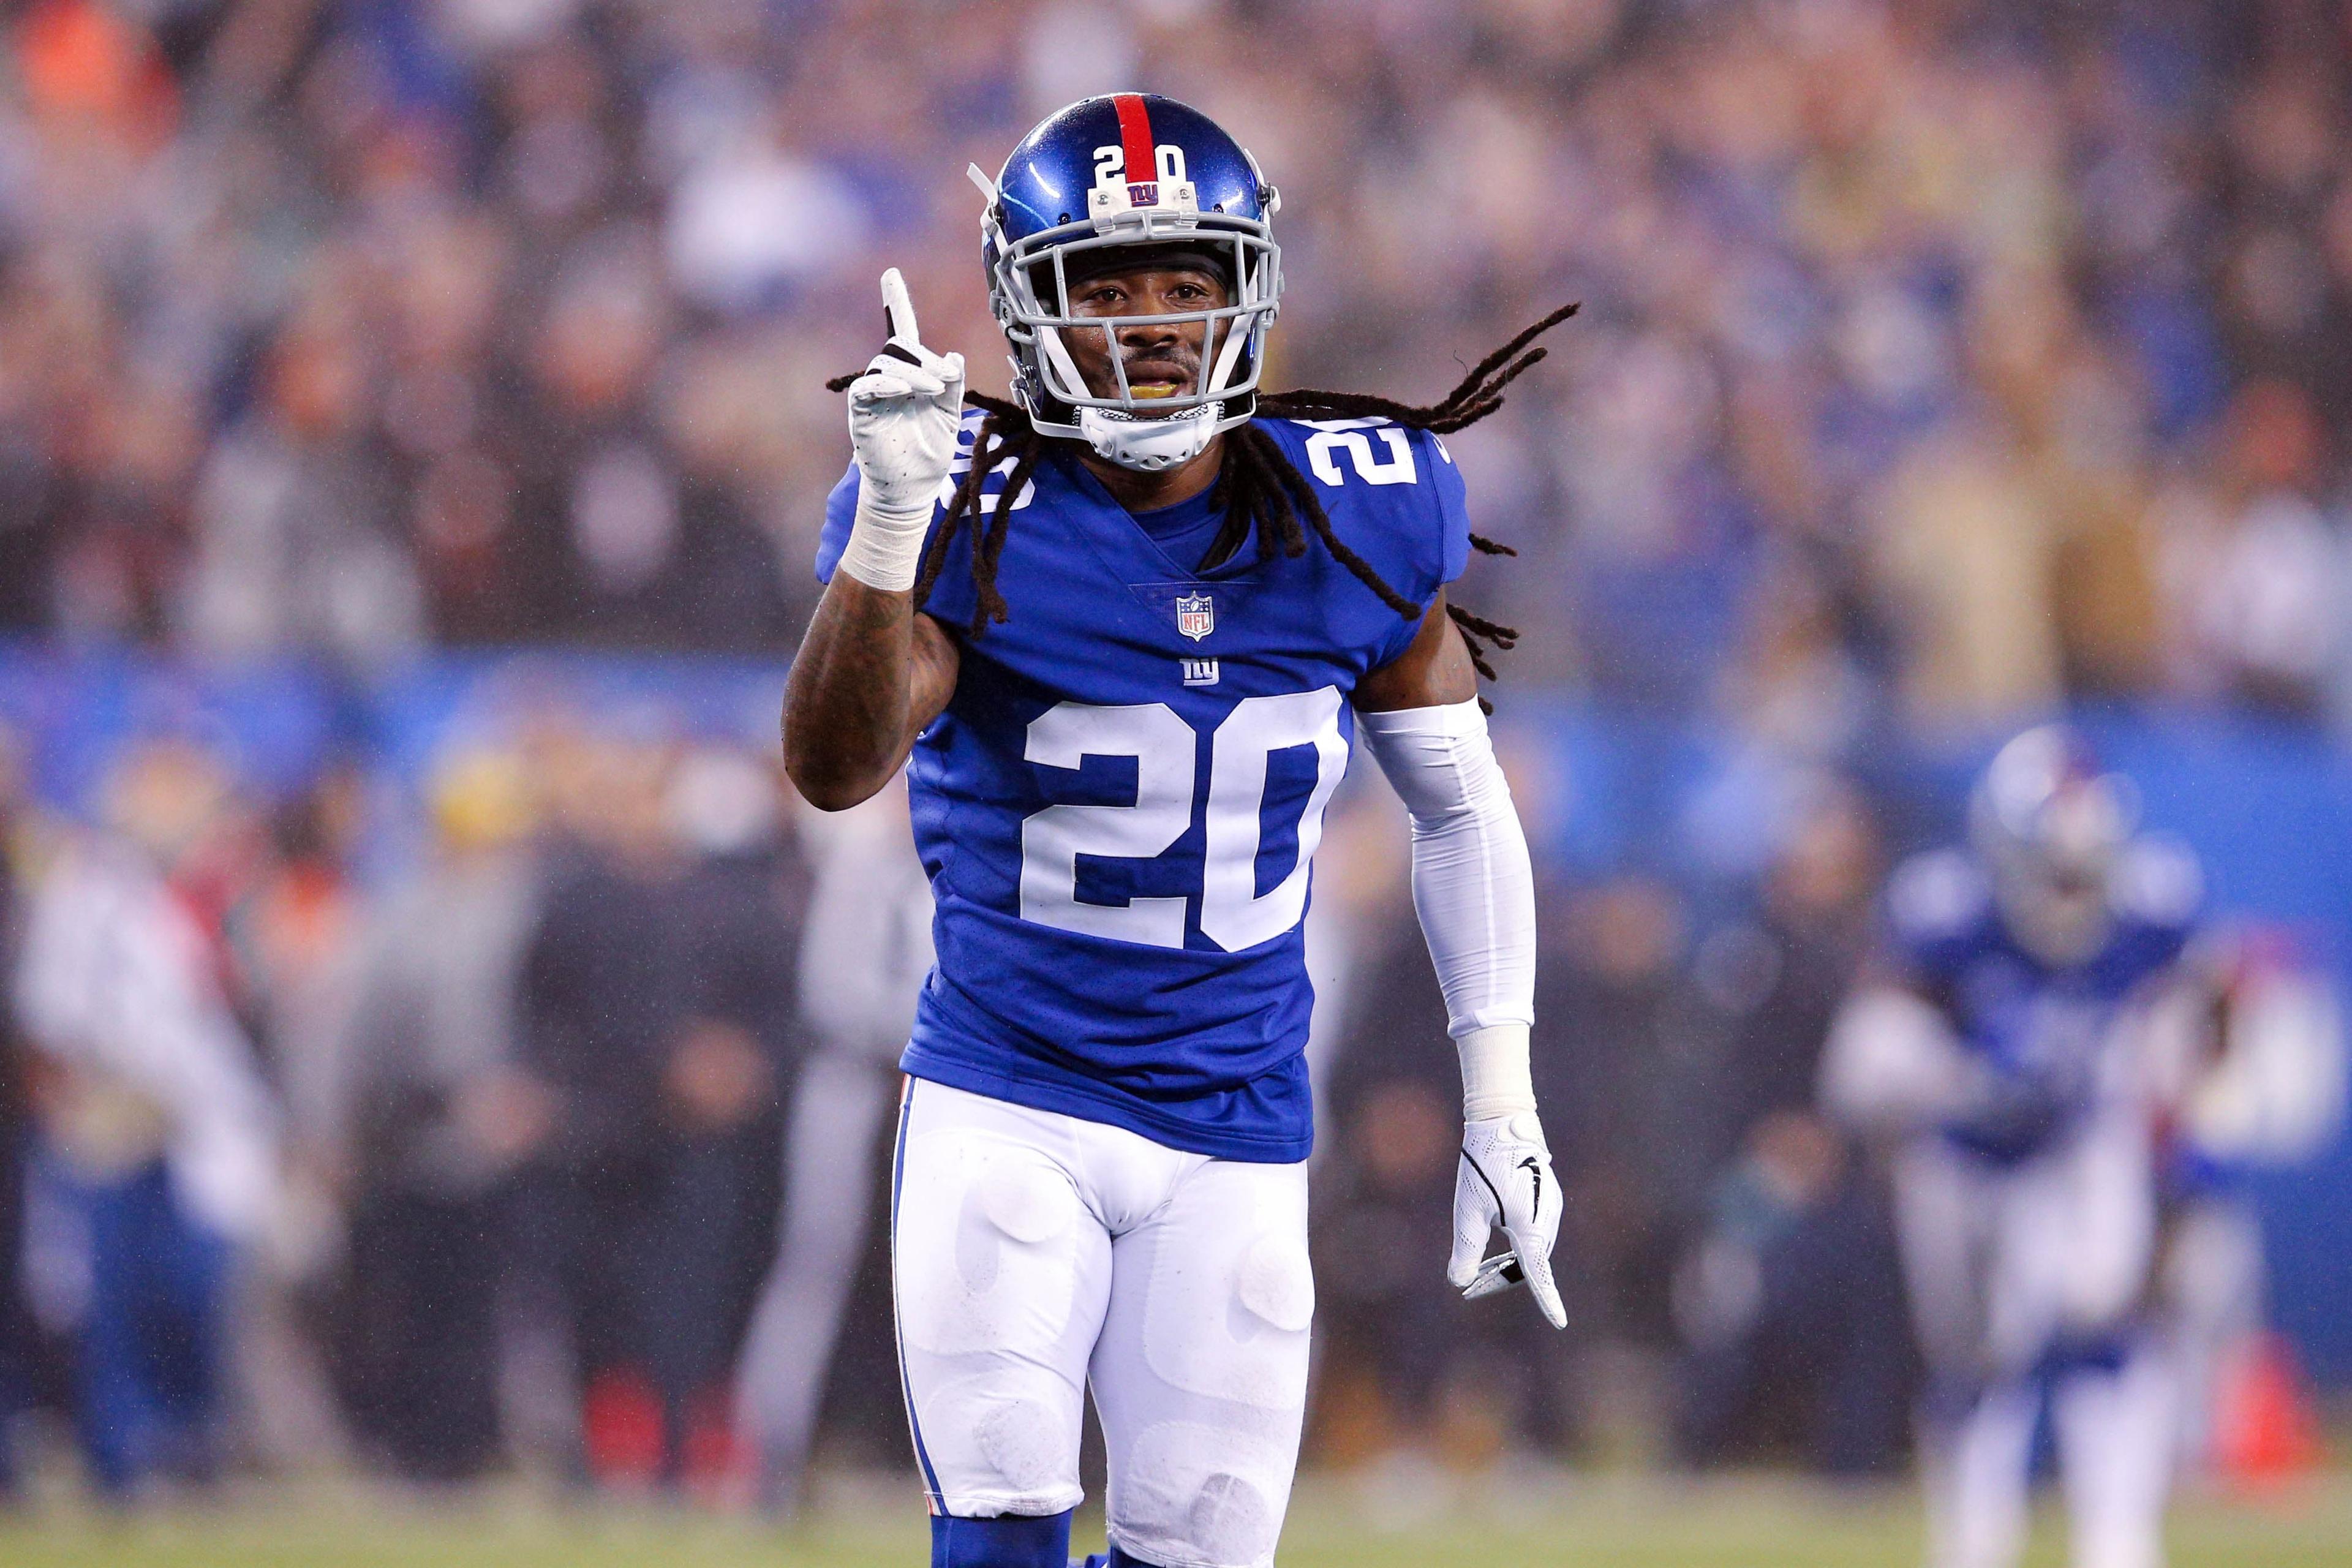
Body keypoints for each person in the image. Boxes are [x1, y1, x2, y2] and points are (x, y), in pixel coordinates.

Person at [780, 94, 1569, 1568]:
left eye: (1186, 281)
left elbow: (1461, 807)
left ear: (1250, 290)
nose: (1151, 322)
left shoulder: (1358, 510)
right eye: (1108, 286)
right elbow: (834, 768)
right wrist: (887, 531)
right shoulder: (968, 503)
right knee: (1001, 1530)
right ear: (1030, 311)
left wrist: (1502, 1095)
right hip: (1011, 1095)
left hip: (1238, 1126)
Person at [1821, 726, 2203, 1568]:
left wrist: (2179, 1114)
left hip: (2079, 1141)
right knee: (1977, 1357)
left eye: (2083, 866)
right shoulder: (1946, 912)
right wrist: (1956, 1076)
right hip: (1962, 1156)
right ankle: (1971, 1542)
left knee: (2100, 1315)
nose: (2068, 885)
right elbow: (1859, 1066)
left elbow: (2186, 1023)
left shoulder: (2149, 904)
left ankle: (2118, 1542)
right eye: (2051, 863)